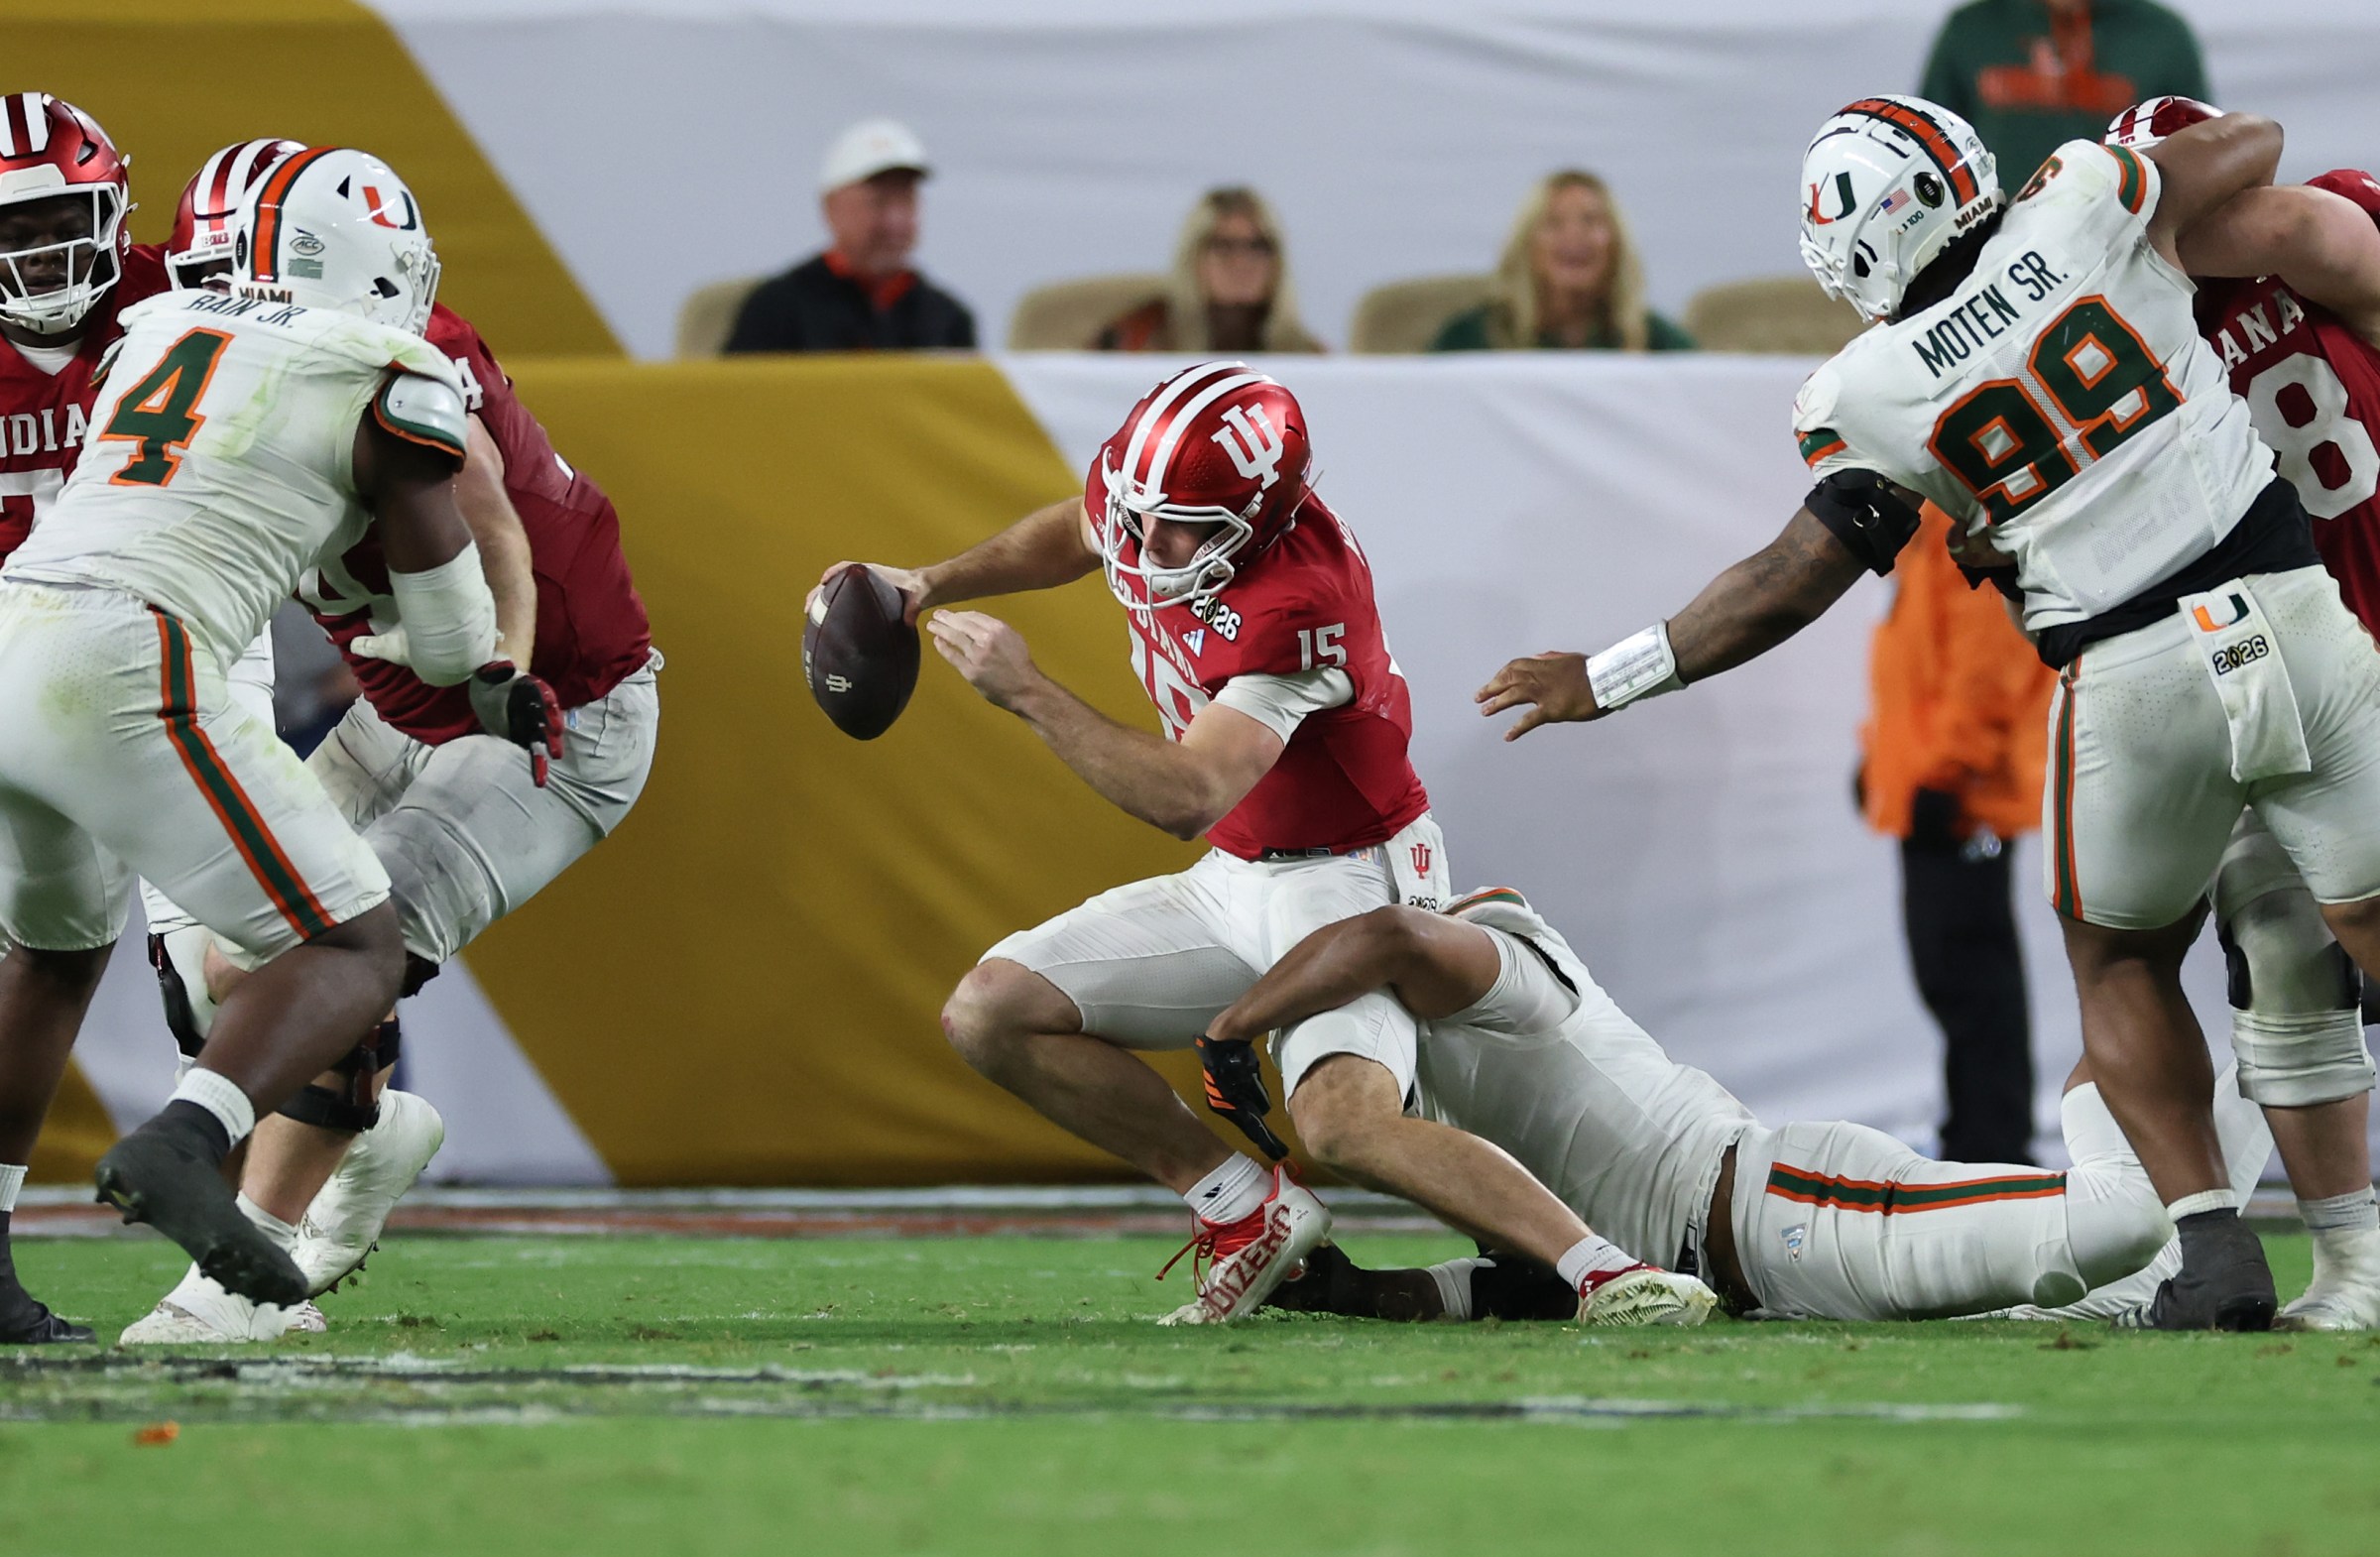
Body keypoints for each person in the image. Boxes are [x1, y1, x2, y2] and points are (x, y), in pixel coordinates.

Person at [1478, 96, 2380, 1332]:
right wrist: (2146, 206)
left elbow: (1787, 581)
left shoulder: (1861, 387)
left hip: (2128, 676)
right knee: (2351, 927)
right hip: (2294, 609)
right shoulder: (2076, 200)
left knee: (2118, 960)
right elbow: (2255, 144)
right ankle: (2341, 1260)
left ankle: (2209, 1244)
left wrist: (1610, 675)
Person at [819, 361, 1714, 1327]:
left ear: (1260, 521)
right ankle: (1244, 1210)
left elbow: (1186, 793)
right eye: (1138, 510)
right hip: (1242, 870)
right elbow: (1080, 531)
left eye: (1179, 528)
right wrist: (928, 583)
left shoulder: (1295, 607)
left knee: (1341, 1125)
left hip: (1350, 878)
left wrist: (1030, 691)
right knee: (992, 1013)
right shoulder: (1153, 502)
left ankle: (1606, 1273)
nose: (1145, 541)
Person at [0, 146, 560, 1325]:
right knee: (351, 948)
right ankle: (187, 1141)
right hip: (130, 654)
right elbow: (453, 639)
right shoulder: (394, 369)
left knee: (48, 957)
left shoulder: (152, 328)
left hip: (13, 628)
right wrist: (485, 675)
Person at [118, 141, 661, 1345]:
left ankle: (239, 1278)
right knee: (220, 978)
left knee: (323, 960)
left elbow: (496, 535)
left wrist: (503, 671)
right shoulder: (259, 334)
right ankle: (370, 1132)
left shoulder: (410, 364)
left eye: (244, 275)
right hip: (393, 712)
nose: (223, 304)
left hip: (551, 720)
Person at [1193, 887, 2170, 1324]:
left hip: (1788, 1208)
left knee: (2121, 1219)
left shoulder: (1503, 969)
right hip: (1771, 1280)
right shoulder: (1442, 1123)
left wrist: (1237, 1022)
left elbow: (1393, 934)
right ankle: (2207, 1205)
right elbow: (1522, 1289)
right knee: (2153, 1297)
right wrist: (1354, 1291)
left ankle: (2142, 1051)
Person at [2089, 95, 2380, 1330]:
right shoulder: (2118, 338)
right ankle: (2357, 1268)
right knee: (2279, 951)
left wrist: (2121, 228)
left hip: (2343, 645)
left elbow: (2306, 225)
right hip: (2281, 674)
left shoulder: (2312, 230)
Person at [0, 93, 179, 1344]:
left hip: (147, 660)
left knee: (62, 951)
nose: (45, 251)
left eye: (67, 216)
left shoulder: (185, 307)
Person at [1861, 506, 2055, 1164]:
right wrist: (1880, 763)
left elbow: (1988, 657)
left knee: (1970, 974)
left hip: (1964, 792)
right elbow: (1915, 663)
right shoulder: (1926, 526)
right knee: (1957, 970)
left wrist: (1950, 766)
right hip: (1934, 785)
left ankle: (1993, 1147)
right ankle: (1979, 1139)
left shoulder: (1959, 520)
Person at [723, 118, 974, 354]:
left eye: (906, 200)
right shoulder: (777, 310)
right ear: (831, 208)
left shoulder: (947, 318)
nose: (895, 220)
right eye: (878, 202)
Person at [1921, 0, 2208, 197]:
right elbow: (1928, 149)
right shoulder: (1971, 29)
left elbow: (2198, 159)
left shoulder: (2163, 36)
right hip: (1987, 254)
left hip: (2120, 254)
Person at [1430, 172, 1693, 353]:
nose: (1574, 235)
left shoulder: (1654, 341)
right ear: (1526, 245)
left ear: (1617, 244)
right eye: (1553, 223)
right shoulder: (1471, 339)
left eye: (1590, 221)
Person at [1094, 187, 1324, 354]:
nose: (1241, 262)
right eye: (1224, 246)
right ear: (1192, 257)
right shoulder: (1137, 340)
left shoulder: (1305, 357)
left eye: (1258, 246)